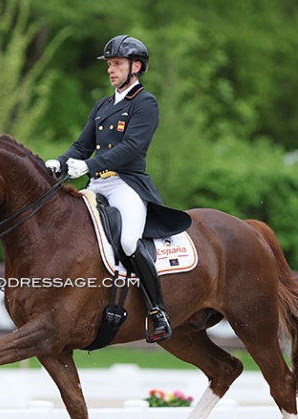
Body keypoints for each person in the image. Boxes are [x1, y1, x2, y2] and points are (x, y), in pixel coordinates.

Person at [45, 35, 191, 343]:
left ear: (135, 67)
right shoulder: (103, 105)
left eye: (117, 64)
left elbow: (132, 147)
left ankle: (157, 311)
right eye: (110, 65)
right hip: (98, 184)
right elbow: (81, 145)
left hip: (126, 184)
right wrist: (59, 163)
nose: (111, 70)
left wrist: (88, 166)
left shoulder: (145, 103)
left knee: (127, 241)